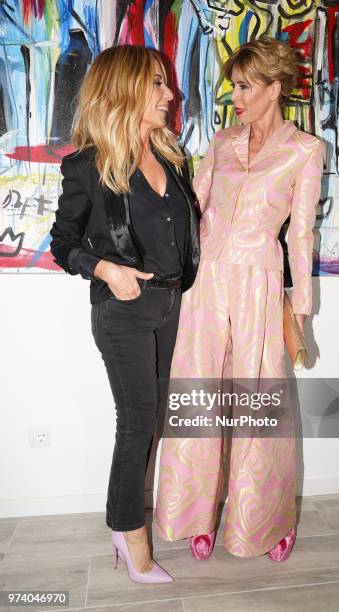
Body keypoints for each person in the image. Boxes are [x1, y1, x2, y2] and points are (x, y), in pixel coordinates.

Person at [154, 36, 325, 561]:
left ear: (275, 89)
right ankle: (195, 514)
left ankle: (267, 521)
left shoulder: (306, 150)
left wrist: (300, 310)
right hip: (206, 285)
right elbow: (193, 210)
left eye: (246, 87)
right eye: (234, 87)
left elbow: (300, 236)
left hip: (258, 283)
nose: (236, 97)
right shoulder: (222, 142)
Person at [50, 45, 200, 584]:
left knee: (152, 422)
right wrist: (106, 269)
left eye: (166, 84)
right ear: (126, 90)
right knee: (137, 423)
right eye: (157, 84)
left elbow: (183, 237)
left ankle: (126, 521)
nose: (169, 94)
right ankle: (129, 533)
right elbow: (62, 244)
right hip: (123, 311)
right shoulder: (88, 165)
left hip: (170, 305)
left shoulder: (174, 159)